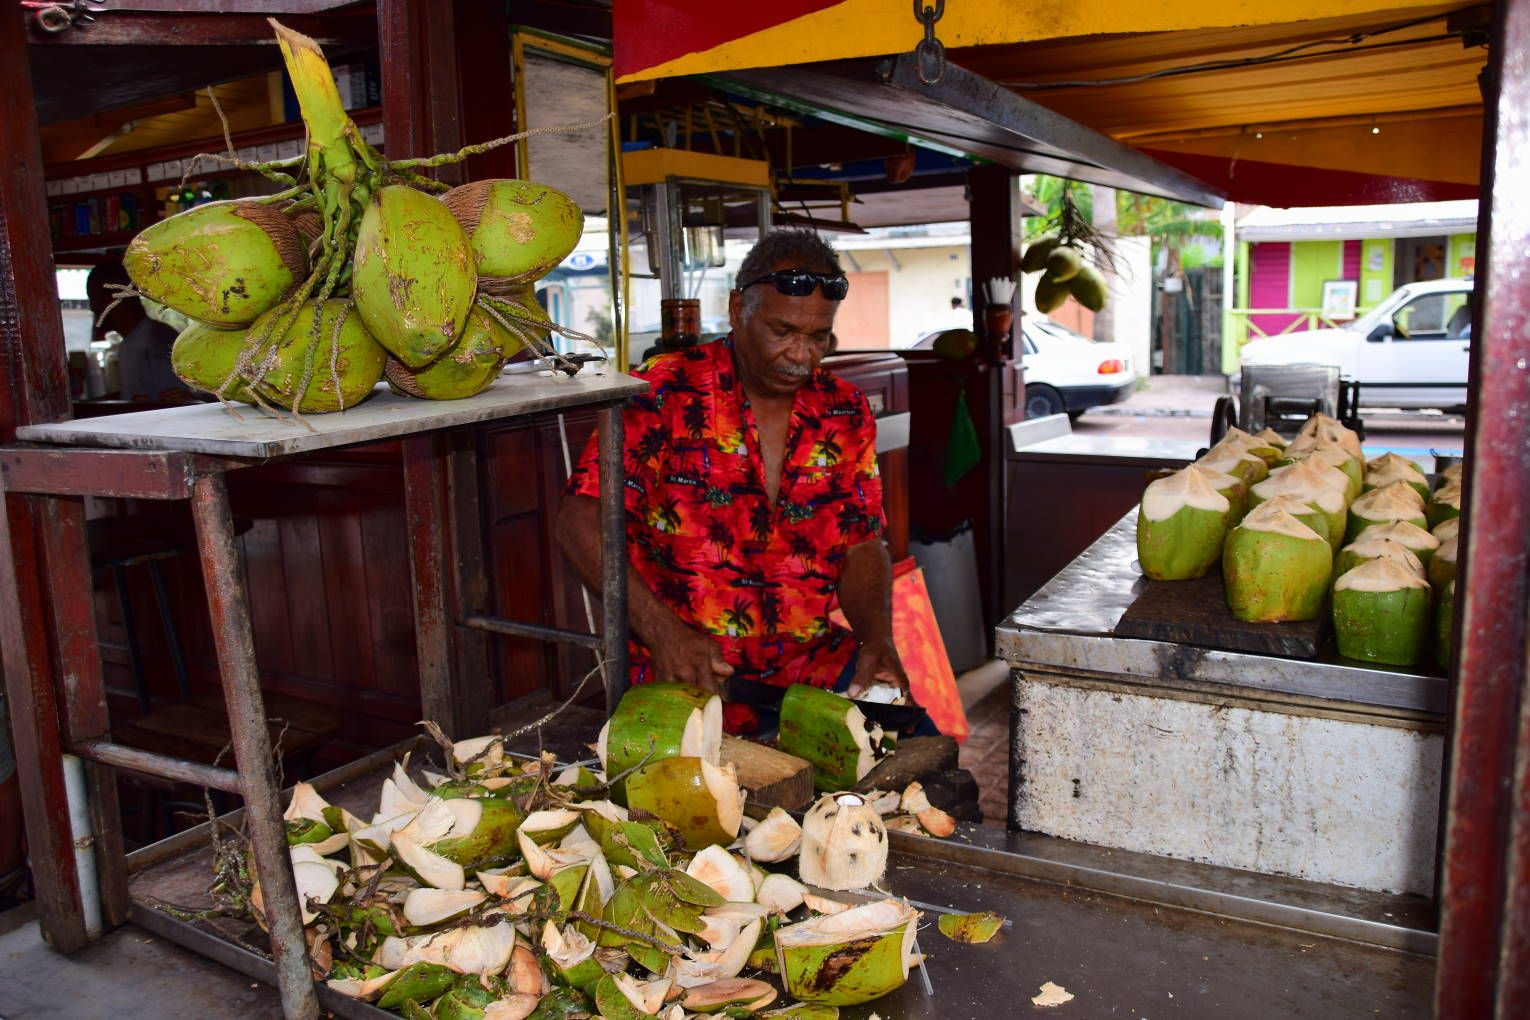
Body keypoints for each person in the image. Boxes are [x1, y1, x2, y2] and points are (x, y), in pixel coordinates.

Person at [557, 230, 908, 723]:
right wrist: (661, 633)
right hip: (686, 672)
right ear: (737, 307)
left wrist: (877, 637)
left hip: (811, 668)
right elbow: (579, 518)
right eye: (782, 330)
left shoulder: (843, 409)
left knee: (916, 758)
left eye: (817, 337)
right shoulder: (663, 391)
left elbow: (861, 541)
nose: (801, 355)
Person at [86, 260, 188, 402]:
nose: (92, 307)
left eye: (94, 298)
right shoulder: (129, 345)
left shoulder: (157, 342)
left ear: (113, 298)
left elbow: (174, 402)